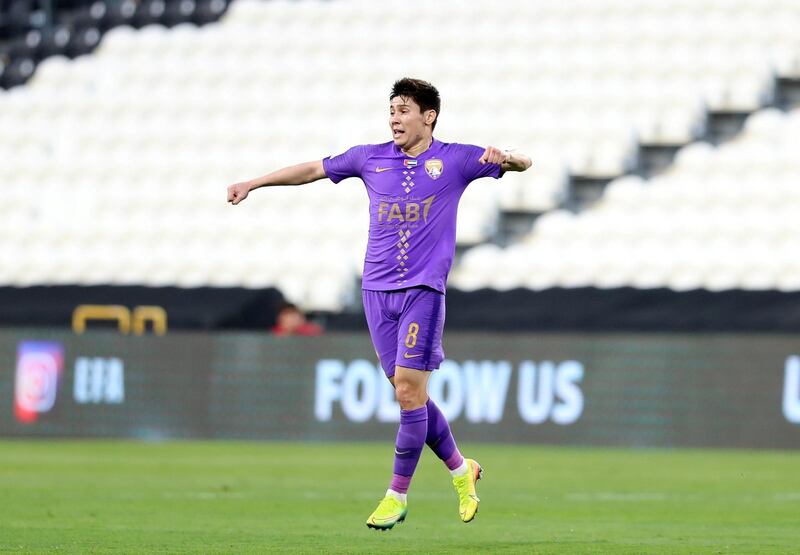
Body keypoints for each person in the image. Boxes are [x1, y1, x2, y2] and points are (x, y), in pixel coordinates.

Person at [227, 77, 532, 530]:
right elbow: (312, 169)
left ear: (428, 116)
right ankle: (460, 470)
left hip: (422, 292)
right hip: (375, 292)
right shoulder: (369, 158)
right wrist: (255, 182)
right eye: (391, 110)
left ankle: (396, 494)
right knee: (410, 395)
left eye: (404, 110)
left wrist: (505, 157)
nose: (394, 118)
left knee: (409, 391)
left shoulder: (455, 159)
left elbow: (526, 163)